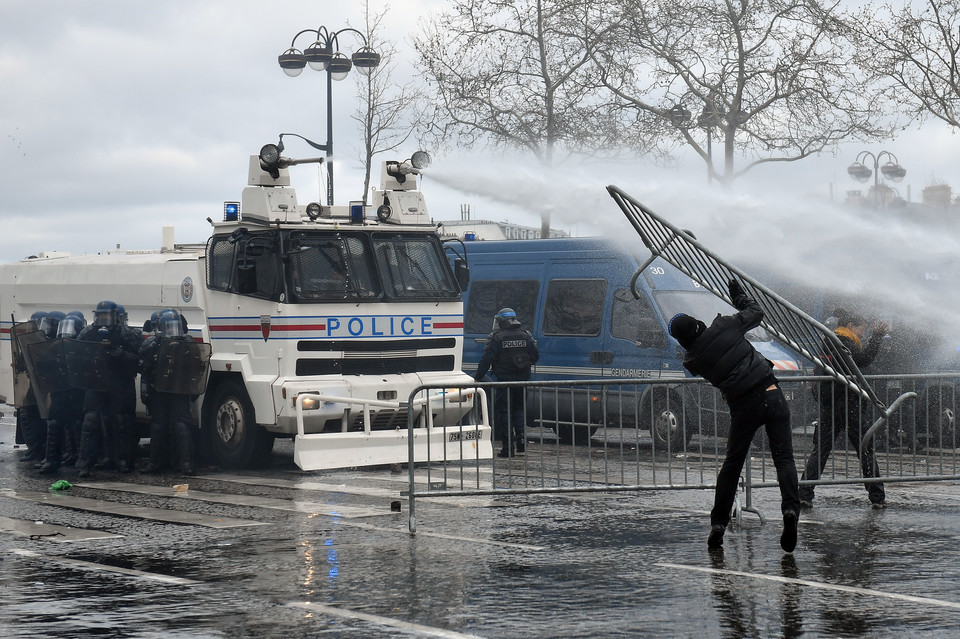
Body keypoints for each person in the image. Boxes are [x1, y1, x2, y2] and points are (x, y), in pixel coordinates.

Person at [669, 279, 801, 553]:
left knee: (732, 466)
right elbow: (756, 313)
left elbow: (705, 349)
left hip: (743, 407)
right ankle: (790, 509)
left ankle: (718, 524)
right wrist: (737, 295)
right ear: (698, 323)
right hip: (771, 392)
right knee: (784, 458)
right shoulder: (725, 326)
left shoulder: (692, 361)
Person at [799, 309, 889, 509]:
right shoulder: (841, 342)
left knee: (821, 450)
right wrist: (877, 337)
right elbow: (864, 359)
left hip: (832, 405)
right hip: (847, 405)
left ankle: (804, 493)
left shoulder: (833, 340)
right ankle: (877, 496)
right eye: (861, 329)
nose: (862, 334)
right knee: (865, 449)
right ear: (850, 326)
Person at [74, 300, 142, 478]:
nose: (103, 320)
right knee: (90, 421)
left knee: (120, 422)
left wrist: (121, 354)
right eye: (100, 316)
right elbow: (75, 354)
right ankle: (84, 463)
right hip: (96, 382)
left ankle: (122, 461)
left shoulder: (127, 334)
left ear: (116, 317)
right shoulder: (88, 333)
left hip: (119, 383)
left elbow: (140, 359)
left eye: (107, 316)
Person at [139, 309, 199, 474]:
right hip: (159, 391)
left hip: (178, 390)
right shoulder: (153, 344)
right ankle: (155, 462)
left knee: (181, 427)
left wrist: (193, 390)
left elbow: (197, 367)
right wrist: (145, 391)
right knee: (158, 427)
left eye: (174, 327)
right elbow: (145, 368)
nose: (172, 331)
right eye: (168, 328)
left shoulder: (188, 343)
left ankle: (186, 463)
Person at [473, 308, 539, 458]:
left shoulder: (497, 337)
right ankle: (521, 442)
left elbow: (487, 359)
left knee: (505, 412)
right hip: (522, 381)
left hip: (504, 382)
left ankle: (507, 448)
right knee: (519, 410)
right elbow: (534, 357)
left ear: (502, 321)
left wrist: (478, 376)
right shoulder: (526, 335)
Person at [37, 314, 87, 474]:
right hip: (59, 390)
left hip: (77, 391)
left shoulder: (82, 346)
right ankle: (52, 460)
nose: (66, 332)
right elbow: (43, 365)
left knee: (78, 425)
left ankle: (80, 460)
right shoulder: (54, 346)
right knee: (55, 423)